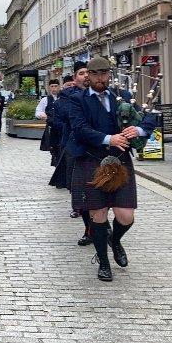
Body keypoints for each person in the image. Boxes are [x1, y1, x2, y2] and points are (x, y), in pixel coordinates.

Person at [68, 57, 157, 281]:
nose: (100, 79)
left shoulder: (123, 97)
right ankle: (104, 262)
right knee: (97, 215)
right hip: (91, 159)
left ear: (109, 74)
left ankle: (115, 240)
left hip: (119, 161)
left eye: (104, 74)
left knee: (125, 216)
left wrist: (138, 130)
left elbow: (150, 118)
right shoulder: (77, 100)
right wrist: (110, 138)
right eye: (95, 74)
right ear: (88, 75)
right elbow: (79, 129)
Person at [54, 63, 95, 246]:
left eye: (89, 72)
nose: (86, 76)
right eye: (81, 73)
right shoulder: (68, 95)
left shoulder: (102, 95)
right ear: (75, 77)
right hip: (77, 148)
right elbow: (64, 115)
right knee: (81, 191)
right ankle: (89, 229)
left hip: (99, 148)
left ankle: (101, 226)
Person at [36, 79, 61, 153]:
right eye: (52, 86)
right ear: (49, 88)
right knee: (53, 149)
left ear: (59, 87)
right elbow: (38, 111)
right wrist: (41, 114)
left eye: (56, 86)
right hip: (51, 127)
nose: (54, 88)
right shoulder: (45, 100)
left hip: (62, 126)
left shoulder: (63, 98)